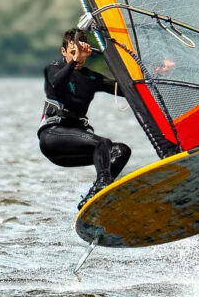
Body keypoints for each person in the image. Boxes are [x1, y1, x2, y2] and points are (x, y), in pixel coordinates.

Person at [38, 28, 132, 209]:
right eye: (73, 52)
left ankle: (93, 197)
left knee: (121, 151)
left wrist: (157, 72)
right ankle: (104, 183)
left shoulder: (91, 77)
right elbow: (57, 83)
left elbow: (127, 89)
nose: (78, 58)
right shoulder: (53, 69)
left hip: (74, 143)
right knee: (102, 143)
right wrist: (74, 60)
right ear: (63, 51)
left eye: (81, 54)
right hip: (53, 137)